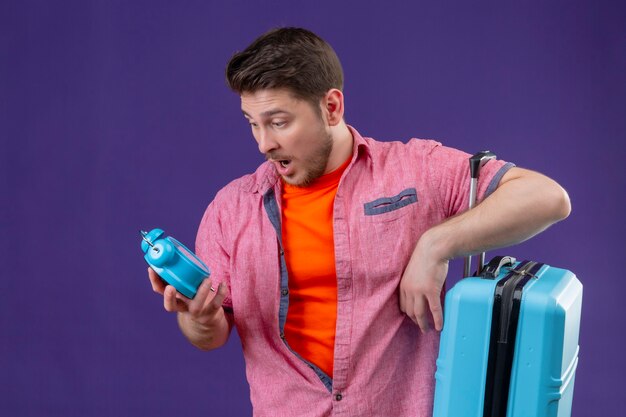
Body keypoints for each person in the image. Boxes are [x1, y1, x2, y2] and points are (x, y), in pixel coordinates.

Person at [147, 27, 571, 416]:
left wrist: (436, 245)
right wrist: (199, 319)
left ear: (331, 107)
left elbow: (547, 197)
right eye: (252, 124)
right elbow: (210, 334)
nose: (264, 143)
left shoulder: (416, 170)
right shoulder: (230, 210)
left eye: (278, 122)